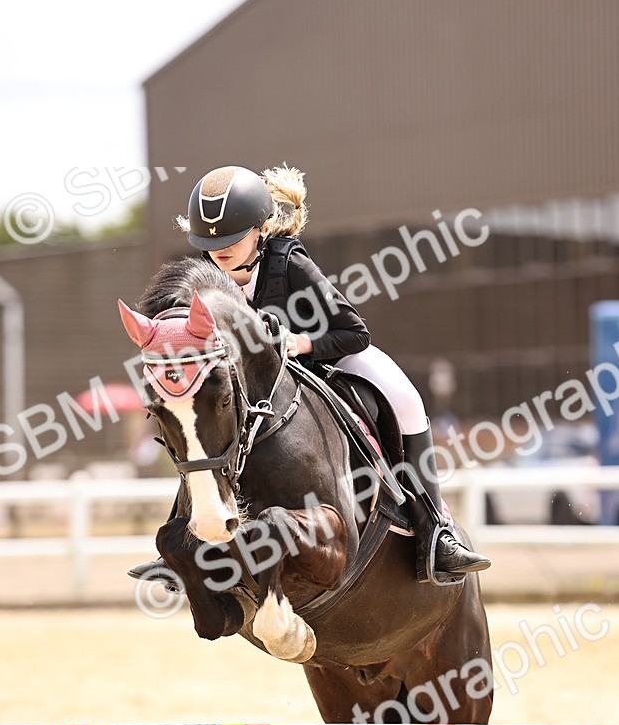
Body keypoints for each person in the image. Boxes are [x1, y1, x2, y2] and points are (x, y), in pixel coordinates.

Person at [131, 165, 490, 583]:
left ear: (262, 229)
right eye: (211, 243)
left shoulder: (290, 262)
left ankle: (435, 531)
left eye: (232, 239)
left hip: (328, 357)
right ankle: (181, 541)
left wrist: (301, 342)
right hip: (262, 386)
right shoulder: (208, 281)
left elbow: (353, 332)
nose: (221, 252)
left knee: (408, 401)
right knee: (204, 422)